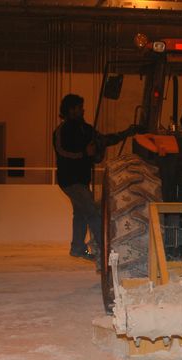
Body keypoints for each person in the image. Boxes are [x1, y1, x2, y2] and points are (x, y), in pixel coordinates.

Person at [53, 93, 138, 267]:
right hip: (70, 180)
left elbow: (105, 140)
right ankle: (105, 248)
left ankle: (77, 247)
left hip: (82, 180)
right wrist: (85, 154)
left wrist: (127, 133)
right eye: (79, 107)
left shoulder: (86, 129)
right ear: (70, 110)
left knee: (81, 212)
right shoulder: (62, 130)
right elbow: (62, 151)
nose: (82, 110)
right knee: (92, 212)